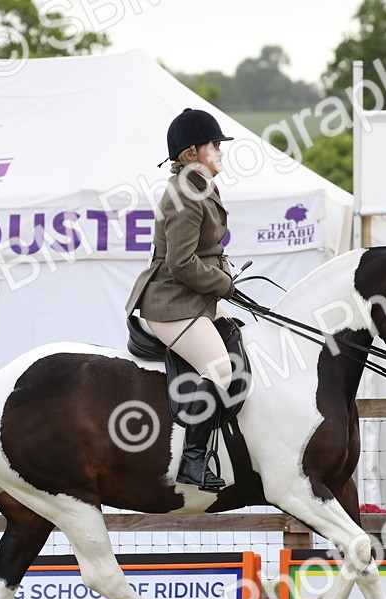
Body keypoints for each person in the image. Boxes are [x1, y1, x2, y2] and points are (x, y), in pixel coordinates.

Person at [125, 108, 237, 492]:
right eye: (215, 145)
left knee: (242, 337)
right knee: (221, 369)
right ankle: (192, 460)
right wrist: (222, 284)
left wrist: (224, 277)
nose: (220, 151)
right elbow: (181, 263)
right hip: (170, 301)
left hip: (191, 295)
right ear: (191, 153)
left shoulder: (202, 186)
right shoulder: (186, 194)